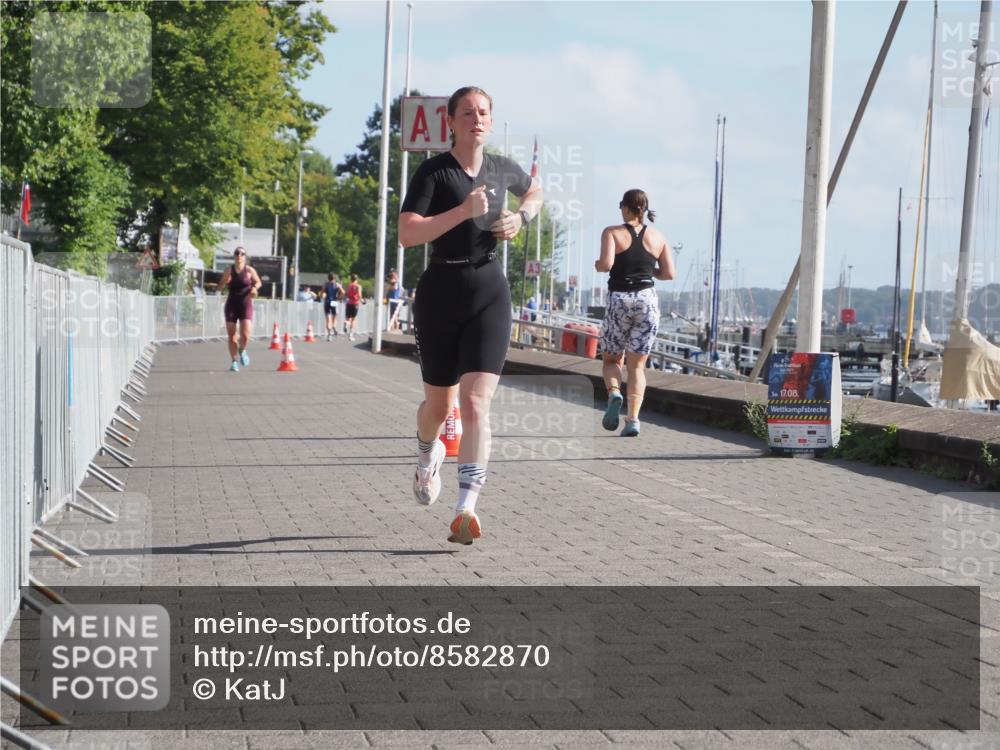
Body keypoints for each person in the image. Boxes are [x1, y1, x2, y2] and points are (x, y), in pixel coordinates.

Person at [399, 85, 542, 545]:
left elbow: (535, 191)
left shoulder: (501, 169)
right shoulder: (434, 172)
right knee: (439, 407)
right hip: (440, 291)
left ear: (491, 122)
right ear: (452, 122)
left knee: (476, 403)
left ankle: (466, 508)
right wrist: (463, 211)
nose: (476, 119)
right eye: (467, 113)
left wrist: (522, 218)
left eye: (483, 113)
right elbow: (407, 233)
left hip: (488, 290)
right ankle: (427, 455)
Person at [594, 189, 675, 436]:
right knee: (637, 367)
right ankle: (632, 420)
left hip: (620, 298)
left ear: (627, 207)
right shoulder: (658, 237)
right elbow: (669, 273)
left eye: (621, 205)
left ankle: (614, 393)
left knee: (611, 359)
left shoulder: (612, 233)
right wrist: (649, 272)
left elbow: (606, 265)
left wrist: (598, 265)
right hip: (647, 300)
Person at [219, 247, 262, 372]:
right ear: (234, 256)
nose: (239, 255)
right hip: (232, 303)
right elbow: (220, 286)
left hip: (245, 303)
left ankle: (242, 350)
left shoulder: (249, 270)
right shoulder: (229, 270)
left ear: (245, 257)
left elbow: (258, 282)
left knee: (245, 334)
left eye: (242, 253)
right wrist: (224, 282)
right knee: (231, 334)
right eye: (237, 253)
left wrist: (254, 288)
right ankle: (234, 362)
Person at [323, 272, 343, 340]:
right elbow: (343, 292)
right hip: (334, 301)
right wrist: (339, 298)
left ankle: (329, 335)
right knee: (334, 317)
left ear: (328, 278)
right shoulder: (337, 285)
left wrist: (322, 295)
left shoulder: (326, 284)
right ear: (334, 278)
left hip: (327, 301)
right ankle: (334, 326)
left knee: (328, 320)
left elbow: (322, 292)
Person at [344, 273, 364, 341]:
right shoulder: (358, 286)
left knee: (348, 318)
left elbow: (346, 294)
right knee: (353, 319)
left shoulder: (349, 286)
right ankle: (351, 335)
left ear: (351, 279)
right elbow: (359, 295)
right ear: (357, 279)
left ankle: (346, 323)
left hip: (349, 303)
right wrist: (362, 301)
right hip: (355, 303)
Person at [386, 267, 402, 332]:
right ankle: (392, 330)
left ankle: (396, 330)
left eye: (393, 274)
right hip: (391, 303)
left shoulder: (396, 282)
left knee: (395, 318)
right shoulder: (392, 282)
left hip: (395, 303)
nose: (391, 275)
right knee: (392, 318)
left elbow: (393, 286)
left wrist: (388, 279)